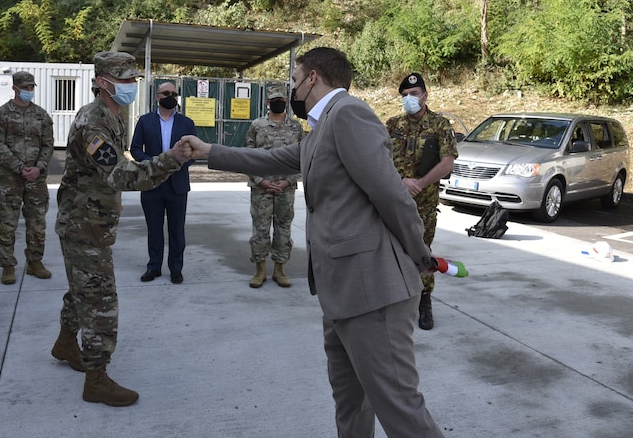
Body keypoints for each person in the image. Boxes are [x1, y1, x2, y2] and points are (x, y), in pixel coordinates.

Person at [180, 47, 445, 437]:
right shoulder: (323, 126)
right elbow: (275, 157)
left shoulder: (350, 114)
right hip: (341, 291)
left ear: (313, 78)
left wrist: (419, 254)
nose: (292, 89)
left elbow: (390, 194)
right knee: (350, 403)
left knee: (400, 408)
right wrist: (209, 152)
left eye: (294, 80)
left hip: (374, 292)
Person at [50, 51, 191, 407]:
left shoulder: (116, 113)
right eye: (123, 80)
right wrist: (171, 159)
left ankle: (66, 343)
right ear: (102, 83)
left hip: (93, 222)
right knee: (101, 303)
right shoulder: (93, 124)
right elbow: (122, 174)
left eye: (132, 80)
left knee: (81, 290)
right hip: (84, 226)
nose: (130, 86)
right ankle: (96, 380)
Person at [385, 73, 458, 331]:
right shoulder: (392, 124)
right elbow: (377, 160)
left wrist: (419, 184)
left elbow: (447, 162)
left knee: (422, 254)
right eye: (404, 95)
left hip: (424, 205)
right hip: (393, 203)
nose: (409, 99)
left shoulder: (439, 125)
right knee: (390, 252)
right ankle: (394, 303)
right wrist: (401, 181)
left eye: (414, 94)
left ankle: (424, 302)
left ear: (425, 95)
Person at [0, 71, 54, 285]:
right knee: (7, 223)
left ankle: (35, 262)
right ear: (15, 88)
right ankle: (8, 266)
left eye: (32, 87)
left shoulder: (41, 116)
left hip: (37, 179)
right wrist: (19, 167)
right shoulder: (1, 115)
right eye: (25, 87)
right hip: (10, 179)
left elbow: (48, 144)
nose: (29, 91)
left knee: (37, 223)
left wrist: (39, 168)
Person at [131, 81, 196, 284]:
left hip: (177, 185)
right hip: (152, 183)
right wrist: (152, 164)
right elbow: (135, 149)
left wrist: (179, 162)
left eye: (174, 94)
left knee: (177, 230)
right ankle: (154, 267)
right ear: (157, 96)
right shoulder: (144, 121)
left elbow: (194, 152)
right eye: (166, 93)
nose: (171, 96)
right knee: (154, 228)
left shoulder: (187, 123)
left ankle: (176, 268)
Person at [243, 84, 304, 288]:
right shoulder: (257, 125)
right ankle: (260, 271)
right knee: (260, 230)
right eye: (274, 100)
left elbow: (303, 159)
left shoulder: (296, 127)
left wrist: (289, 180)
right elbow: (247, 157)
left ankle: (280, 270)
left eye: (282, 100)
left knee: (283, 229)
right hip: (261, 188)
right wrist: (260, 180)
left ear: (286, 102)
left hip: (286, 189)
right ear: (267, 102)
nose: (278, 103)